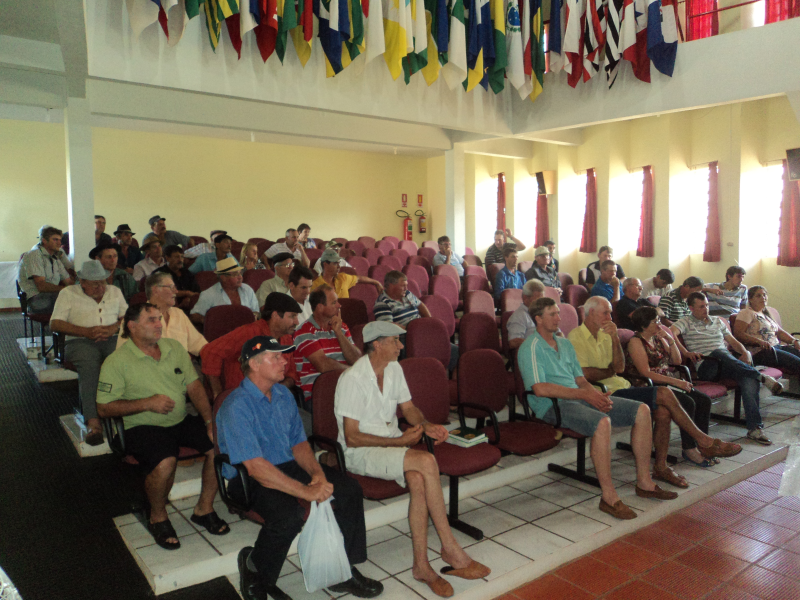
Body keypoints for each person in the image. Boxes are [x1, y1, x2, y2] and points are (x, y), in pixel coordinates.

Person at [215, 336, 383, 600]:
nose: (285, 361)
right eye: (276, 357)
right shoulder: (236, 406)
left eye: (283, 355)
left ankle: (342, 570)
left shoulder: (283, 394)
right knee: (288, 515)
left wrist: (317, 474)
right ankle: (255, 569)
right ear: (255, 364)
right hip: (247, 478)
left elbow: (299, 444)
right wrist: (305, 491)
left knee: (349, 490)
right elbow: (256, 467)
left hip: (286, 465)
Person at [335, 321, 490, 597]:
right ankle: (450, 548)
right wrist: (398, 442)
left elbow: (409, 409)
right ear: (377, 344)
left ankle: (421, 566)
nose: (401, 345)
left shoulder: (394, 368)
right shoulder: (352, 379)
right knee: (426, 461)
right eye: (395, 341)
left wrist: (426, 425)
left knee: (418, 479)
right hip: (359, 452)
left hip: (390, 443)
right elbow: (352, 438)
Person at [519, 297, 675, 520]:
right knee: (602, 422)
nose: (558, 318)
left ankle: (645, 482)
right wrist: (584, 394)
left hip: (578, 397)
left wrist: (595, 395)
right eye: (552, 314)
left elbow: (580, 380)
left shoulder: (564, 344)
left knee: (642, 410)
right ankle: (609, 497)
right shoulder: (531, 347)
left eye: (558, 313)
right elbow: (540, 389)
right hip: (552, 405)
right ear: (538, 319)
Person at [570, 297, 740, 488]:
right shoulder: (576, 337)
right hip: (603, 393)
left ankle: (661, 467)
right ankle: (703, 441)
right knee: (665, 394)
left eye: (611, 312)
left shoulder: (607, 334)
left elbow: (619, 367)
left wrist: (615, 339)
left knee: (664, 411)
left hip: (623, 386)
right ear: (591, 313)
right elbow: (585, 374)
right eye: (606, 313)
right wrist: (610, 371)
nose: (610, 317)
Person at [97, 303, 227, 550]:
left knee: (219, 445)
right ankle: (157, 516)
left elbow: (194, 387)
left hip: (179, 419)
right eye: (151, 320)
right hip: (142, 425)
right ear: (132, 326)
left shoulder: (173, 348)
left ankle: (204, 508)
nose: (159, 324)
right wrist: (147, 403)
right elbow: (104, 408)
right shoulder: (116, 361)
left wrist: (209, 421)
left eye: (159, 319)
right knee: (166, 461)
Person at [625, 306, 741, 467]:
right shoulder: (636, 342)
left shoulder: (657, 337)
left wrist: (671, 340)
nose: (659, 325)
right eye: (655, 322)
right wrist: (676, 382)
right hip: (649, 385)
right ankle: (689, 449)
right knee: (688, 402)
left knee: (704, 400)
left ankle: (704, 447)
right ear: (643, 325)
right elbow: (646, 373)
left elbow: (677, 361)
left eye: (658, 320)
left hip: (668, 381)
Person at [672, 292, 782, 445]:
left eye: (707, 305)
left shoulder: (717, 321)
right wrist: (685, 352)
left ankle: (755, 428)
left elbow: (733, 341)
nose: (706, 309)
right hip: (707, 366)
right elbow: (671, 334)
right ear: (691, 308)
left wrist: (745, 352)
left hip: (728, 364)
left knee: (748, 379)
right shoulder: (685, 321)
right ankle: (761, 376)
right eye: (701, 307)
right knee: (720, 352)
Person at [49, 260, 127, 445]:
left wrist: (114, 327)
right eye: (94, 284)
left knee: (124, 361)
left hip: (111, 338)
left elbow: (129, 317)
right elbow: (55, 323)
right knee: (90, 365)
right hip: (79, 340)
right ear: (82, 281)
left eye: (102, 282)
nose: (100, 287)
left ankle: (125, 412)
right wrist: (85, 332)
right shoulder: (68, 293)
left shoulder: (114, 291)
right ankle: (93, 423)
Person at [201, 293, 302, 400]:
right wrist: (218, 396)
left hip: (274, 398)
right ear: (275, 315)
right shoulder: (248, 333)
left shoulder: (286, 339)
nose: (297, 322)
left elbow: (291, 374)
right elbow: (209, 351)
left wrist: (278, 388)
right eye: (292, 316)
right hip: (243, 399)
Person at [294, 286, 362, 403]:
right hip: (320, 396)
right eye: (334, 302)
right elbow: (323, 365)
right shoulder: (304, 331)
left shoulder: (341, 327)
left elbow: (357, 360)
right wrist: (354, 373)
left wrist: (339, 333)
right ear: (320, 307)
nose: (339, 305)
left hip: (347, 390)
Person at [118, 271, 207, 357]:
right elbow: (123, 355)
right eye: (171, 287)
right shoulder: (134, 318)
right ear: (156, 290)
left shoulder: (179, 314)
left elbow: (200, 345)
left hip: (182, 366)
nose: (176, 291)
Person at [734, 286, 800, 377]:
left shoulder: (766, 315)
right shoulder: (746, 313)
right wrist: (759, 341)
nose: (763, 297)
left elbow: (779, 332)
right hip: (762, 352)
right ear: (750, 299)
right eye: (758, 296)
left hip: (776, 348)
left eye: (764, 295)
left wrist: (794, 341)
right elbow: (738, 334)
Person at [18, 226, 74, 313]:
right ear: (44, 240)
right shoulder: (34, 255)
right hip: (37, 299)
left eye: (60, 240)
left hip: (51, 296)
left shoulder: (55, 258)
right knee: (74, 302)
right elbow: (42, 286)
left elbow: (68, 281)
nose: (59, 243)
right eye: (55, 240)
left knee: (81, 299)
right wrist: (67, 290)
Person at [190, 257, 260, 325]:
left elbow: (255, 311)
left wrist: (254, 316)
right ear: (223, 278)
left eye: (240, 273)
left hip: (246, 330)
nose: (240, 277)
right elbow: (194, 315)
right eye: (235, 274)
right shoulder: (209, 294)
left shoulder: (247, 289)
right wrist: (212, 322)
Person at [312, 249, 383, 299]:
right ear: (325, 265)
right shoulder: (315, 286)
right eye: (335, 264)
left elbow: (359, 278)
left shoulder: (343, 277)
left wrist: (376, 282)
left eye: (339, 263)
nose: (339, 266)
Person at [153, 245, 200, 311]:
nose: (180, 260)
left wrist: (190, 299)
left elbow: (197, 292)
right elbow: (163, 292)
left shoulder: (187, 273)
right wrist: (186, 293)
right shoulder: (160, 273)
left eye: (182, 257)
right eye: (176, 257)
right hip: (167, 309)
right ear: (167, 258)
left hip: (191, 308)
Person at [508, 280, 546, 351]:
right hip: (534, 353)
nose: (541, 304)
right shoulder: (519, 316)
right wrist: (538, 345)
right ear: (525, 298)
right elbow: (513, 342)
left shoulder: (544, 313)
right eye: (538, 300)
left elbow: (557, 332)